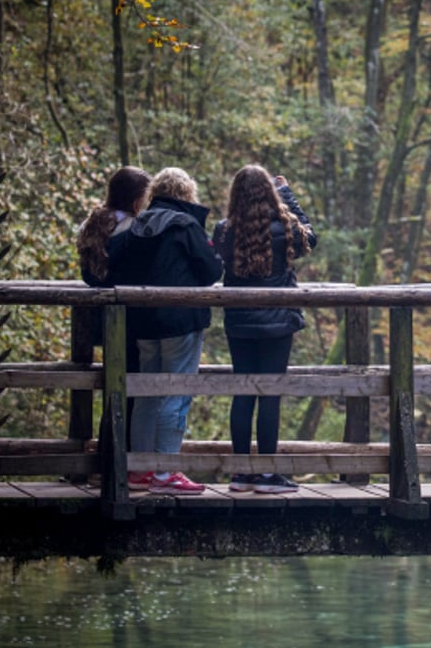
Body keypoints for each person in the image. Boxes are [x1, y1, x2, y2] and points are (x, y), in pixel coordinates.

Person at [110, 166, 222, 495]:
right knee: (176, 392)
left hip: (144, 322)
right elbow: (211, 270)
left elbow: (118, 265)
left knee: (147, 394)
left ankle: (140, 470)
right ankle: (165, 472)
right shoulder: (186, 225)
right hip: (180, 322)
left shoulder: (135, 225)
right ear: (187, 193)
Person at [212, 166, 316, 494]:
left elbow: (217, 259)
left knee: (243, 393)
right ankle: (269, 476)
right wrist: (287, 195)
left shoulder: (225, 230)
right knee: (269, 395)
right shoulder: (285, 227)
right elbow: (312, 237)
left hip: (240, 323)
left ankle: (241, 474)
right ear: (270, 192)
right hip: (277, 322)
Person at [77, 166, 151, 448]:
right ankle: (121, 457)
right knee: (128, 388)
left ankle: (109, 454)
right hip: (129, 318)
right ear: (136, 199)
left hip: (99, 315)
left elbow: (90, 274)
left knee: (113, 387)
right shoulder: (132, 229)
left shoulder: (93, 223)